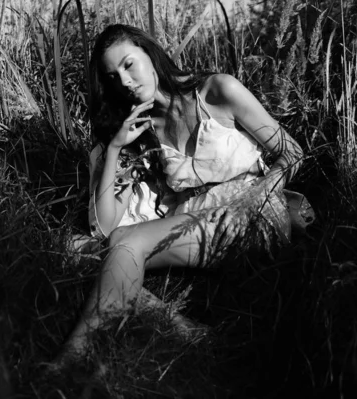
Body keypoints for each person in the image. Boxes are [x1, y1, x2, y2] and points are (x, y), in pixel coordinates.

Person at [58, 24, 305, 364]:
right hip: (201, 223)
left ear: (150, 53)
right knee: (88, 246)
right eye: (112, 77)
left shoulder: (217, 90)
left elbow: (292, 152)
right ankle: (179, 327)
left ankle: (75, 356)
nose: (125, 81)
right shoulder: (141, 130)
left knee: (125, 244)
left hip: (254, 212)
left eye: (129, 64)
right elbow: (103, 225)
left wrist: (252, 201)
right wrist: (115, 147)